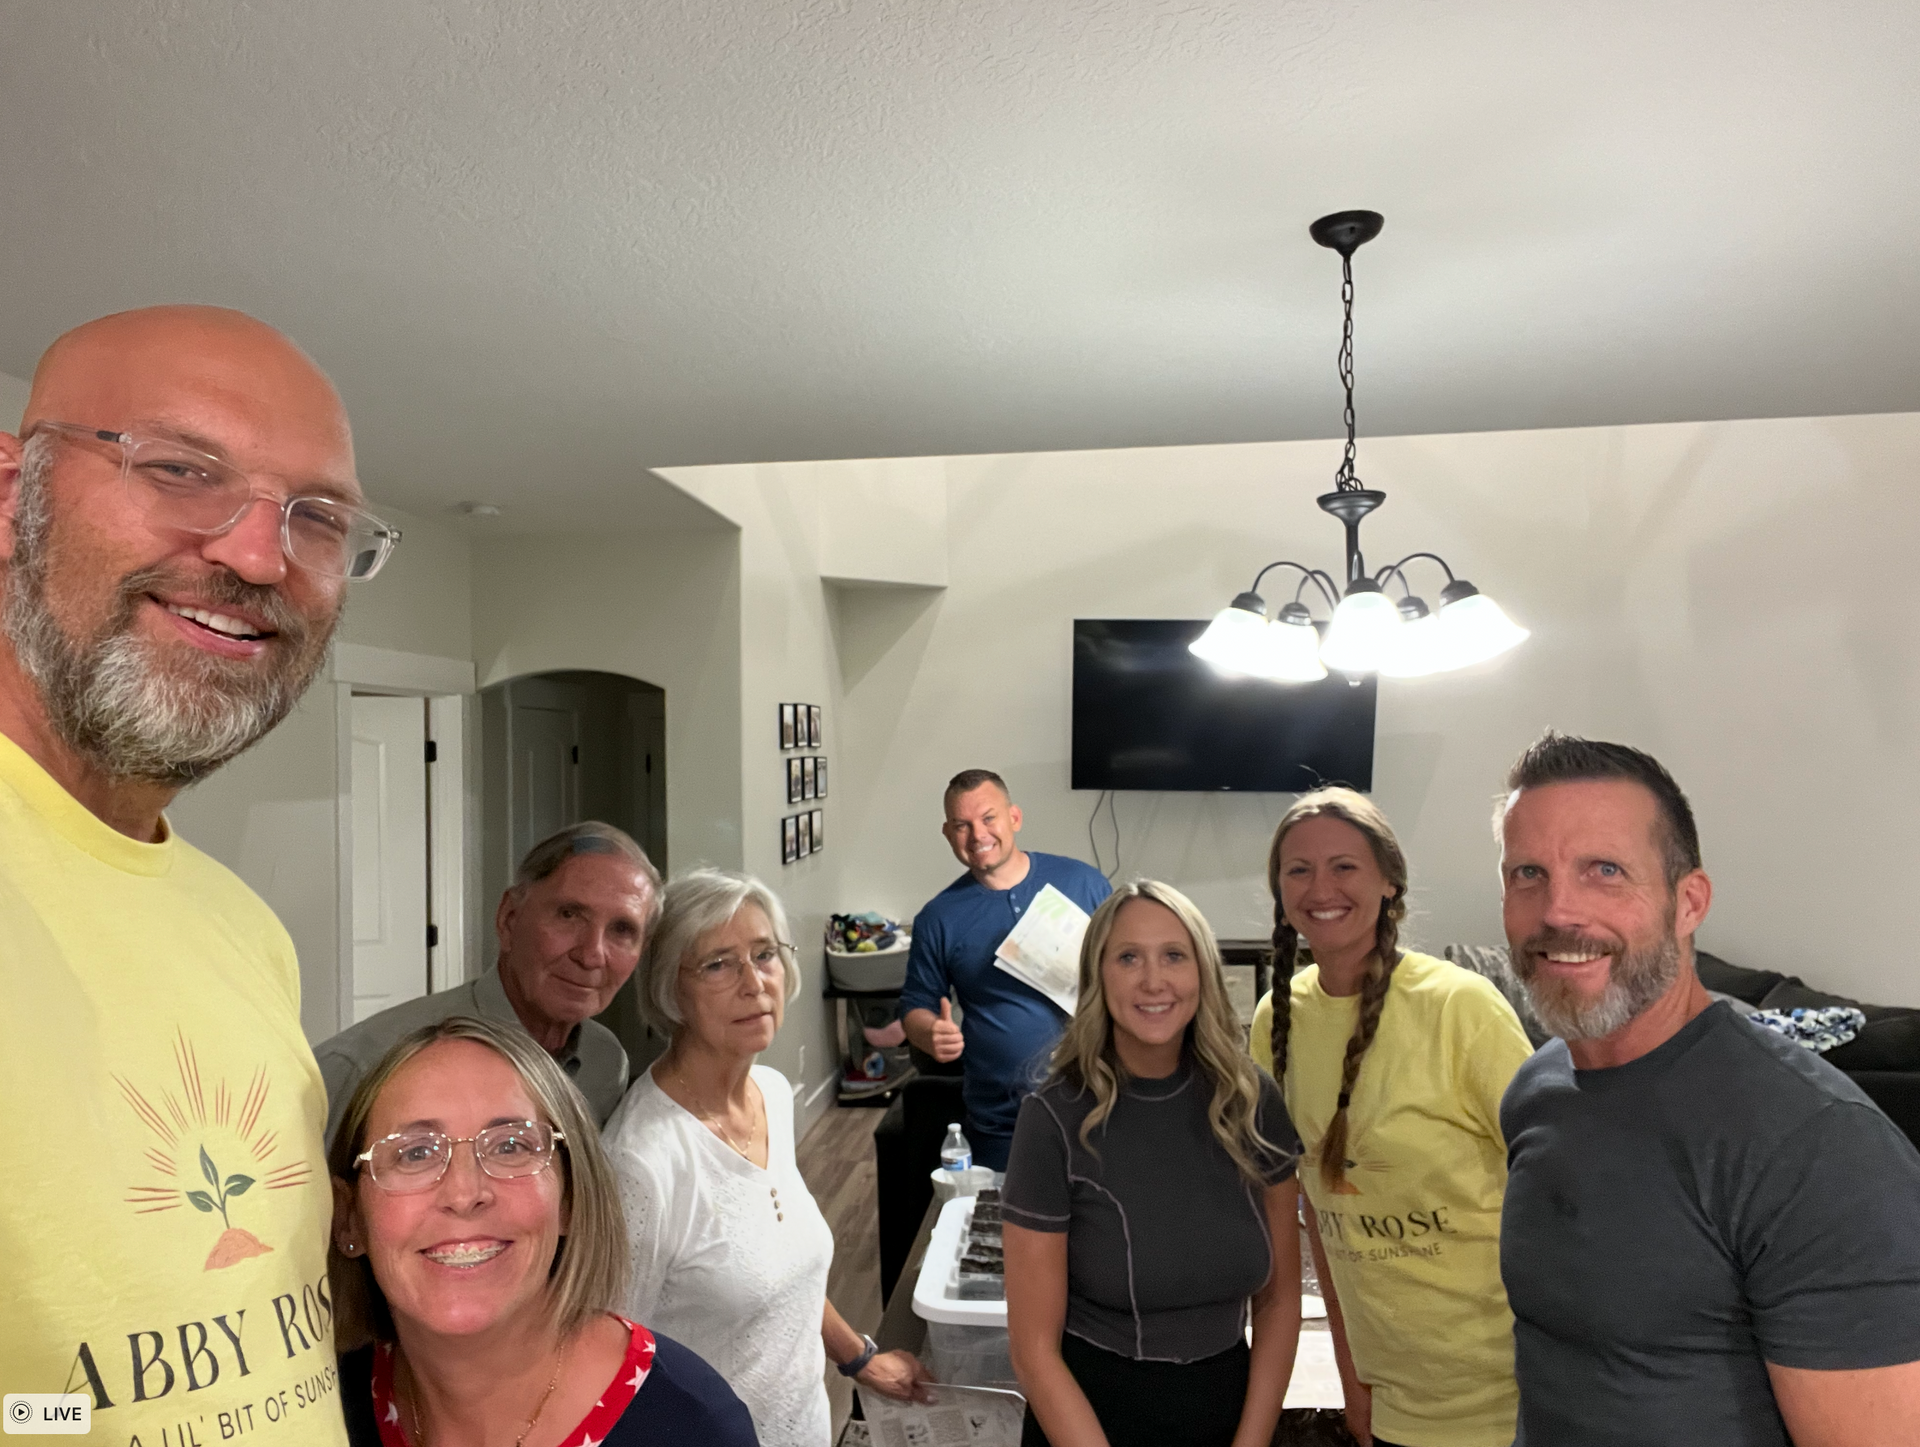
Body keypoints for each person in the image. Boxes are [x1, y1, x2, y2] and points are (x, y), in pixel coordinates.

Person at [0, 306, 400, 1442]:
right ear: (8, 497)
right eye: (179, 468)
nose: (257, 554)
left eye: (318, 518)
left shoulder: (243, 928)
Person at [1495, 732, 1920, 1446]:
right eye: (1527, 873)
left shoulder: (1818, 1145)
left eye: (1604, 869)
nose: (1558, 911)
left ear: (1689, 901)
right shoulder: (1537, 1090)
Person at [603, 869, 933, 1446]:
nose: (755, 983)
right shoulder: (643, 1162)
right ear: (668, 989)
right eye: (717, 964)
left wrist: (857, 1358)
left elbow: (784, 1270)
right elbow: (601, 1362)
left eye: (765, 954)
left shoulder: (772, 1094)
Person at [1249, 789, 1534, 1447]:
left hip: (1504, 1395)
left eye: (1344, 865)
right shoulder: (1275, 1022)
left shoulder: (1462, 1008)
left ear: (1389, 880)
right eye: (1299, 869)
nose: (1321, 886)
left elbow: (1557, 1192)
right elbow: (1318, 1214)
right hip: (1389, 1398)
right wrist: (1354, 1379)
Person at [327, 1015, 758, 1445]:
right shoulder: (319, 1409)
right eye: (415, 1153)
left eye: (510, 1146)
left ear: (570, 1196)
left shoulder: (695, 1426)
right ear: (350, 1218)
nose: (463, 1193)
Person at [1004, 880, 1301, 1447]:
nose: (1153, 980)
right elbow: (1033, 1352)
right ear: (1098, 976)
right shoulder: (1054, 1118)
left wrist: (1251, 1442)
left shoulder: (1252, 1101)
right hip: (1093, 1418)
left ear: (1202, 972)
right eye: (1128, 958)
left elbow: (1280, 1298)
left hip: (1231, 1409)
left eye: (1173, 956)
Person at [317, 821, 658, 1140]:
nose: (592, 954)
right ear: (509, 919)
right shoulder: (366, 1064)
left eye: (622, 930)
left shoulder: (605, 1062)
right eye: (568, 915)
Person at [899, 769, 1113, 1169]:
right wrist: (930, 1031)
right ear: (947, 833)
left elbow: (1126, 965)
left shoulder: (1084, 882)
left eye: (988, 818)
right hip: (1001, 1122)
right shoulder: (938, 917)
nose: (977, 835)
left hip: (1099, 1106)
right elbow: (914, 1005)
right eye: (962, 825)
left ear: (1014, 818)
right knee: (1007, 1228)